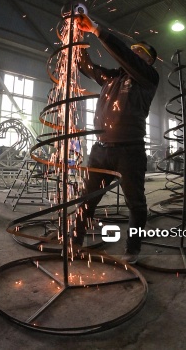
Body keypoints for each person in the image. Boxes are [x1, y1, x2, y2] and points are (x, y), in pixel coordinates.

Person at [72, 13, 159, 264]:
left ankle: (132, 249)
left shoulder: (147, 79)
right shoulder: (111, 79)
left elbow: (125, 55)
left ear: (148, 61)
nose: (133, 52)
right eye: (133, 50)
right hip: (100, 150)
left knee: (135, 203)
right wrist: (78, 44)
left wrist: (97, 30)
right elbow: (88, 67)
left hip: (129, 151)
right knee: (88, 199)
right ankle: (74, 241)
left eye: (139, 51)